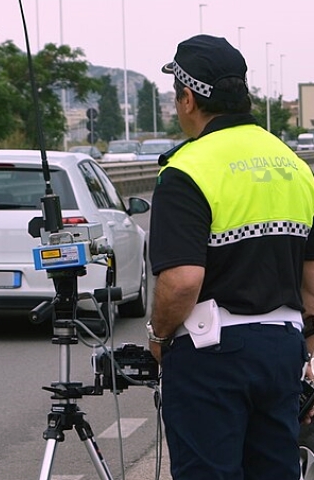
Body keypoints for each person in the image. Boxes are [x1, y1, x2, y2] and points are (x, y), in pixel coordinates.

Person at [147, 34, 314, 480]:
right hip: (282, 349)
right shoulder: (293, 165)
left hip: (210, 354)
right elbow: (311, 282)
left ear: (187, 99)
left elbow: (182, 281)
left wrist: (159, 337)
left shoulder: (187, 168)